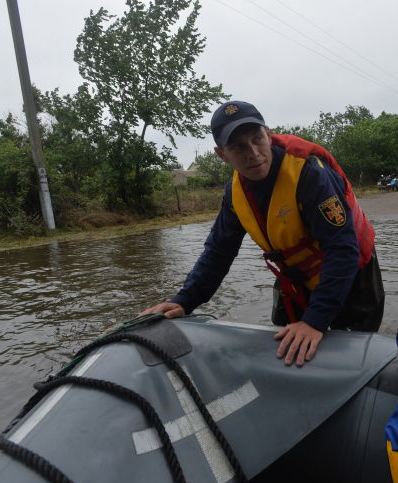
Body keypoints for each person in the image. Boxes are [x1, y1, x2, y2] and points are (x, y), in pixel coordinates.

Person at [141, 101, 385, 367]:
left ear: (269, 135)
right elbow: (218, 252)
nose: (254, 153)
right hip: (298, 277)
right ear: (222, 154)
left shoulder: (309, 173)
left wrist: (315, 320)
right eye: (238, 147)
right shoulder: (234, 195)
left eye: (257, 139)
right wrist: (184, 300)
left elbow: (343, 249)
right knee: (286, 344)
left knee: (351, 356)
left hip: (352, 274)